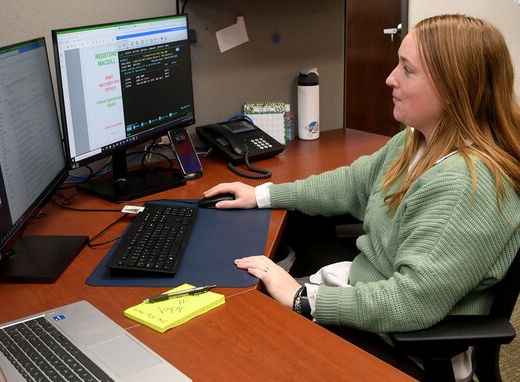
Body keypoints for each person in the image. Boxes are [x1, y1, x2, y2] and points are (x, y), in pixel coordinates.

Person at [203, 14, 520, 381]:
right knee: (246, 307)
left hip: (409, 340)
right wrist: (262, 194)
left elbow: (410, 303)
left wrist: (304, 300)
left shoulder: (467, 187)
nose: (391, 78)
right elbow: (352, 184)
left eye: (407, 69)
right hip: (371, 296)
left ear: (453, 88)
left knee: (241, 343)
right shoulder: (418, 139)